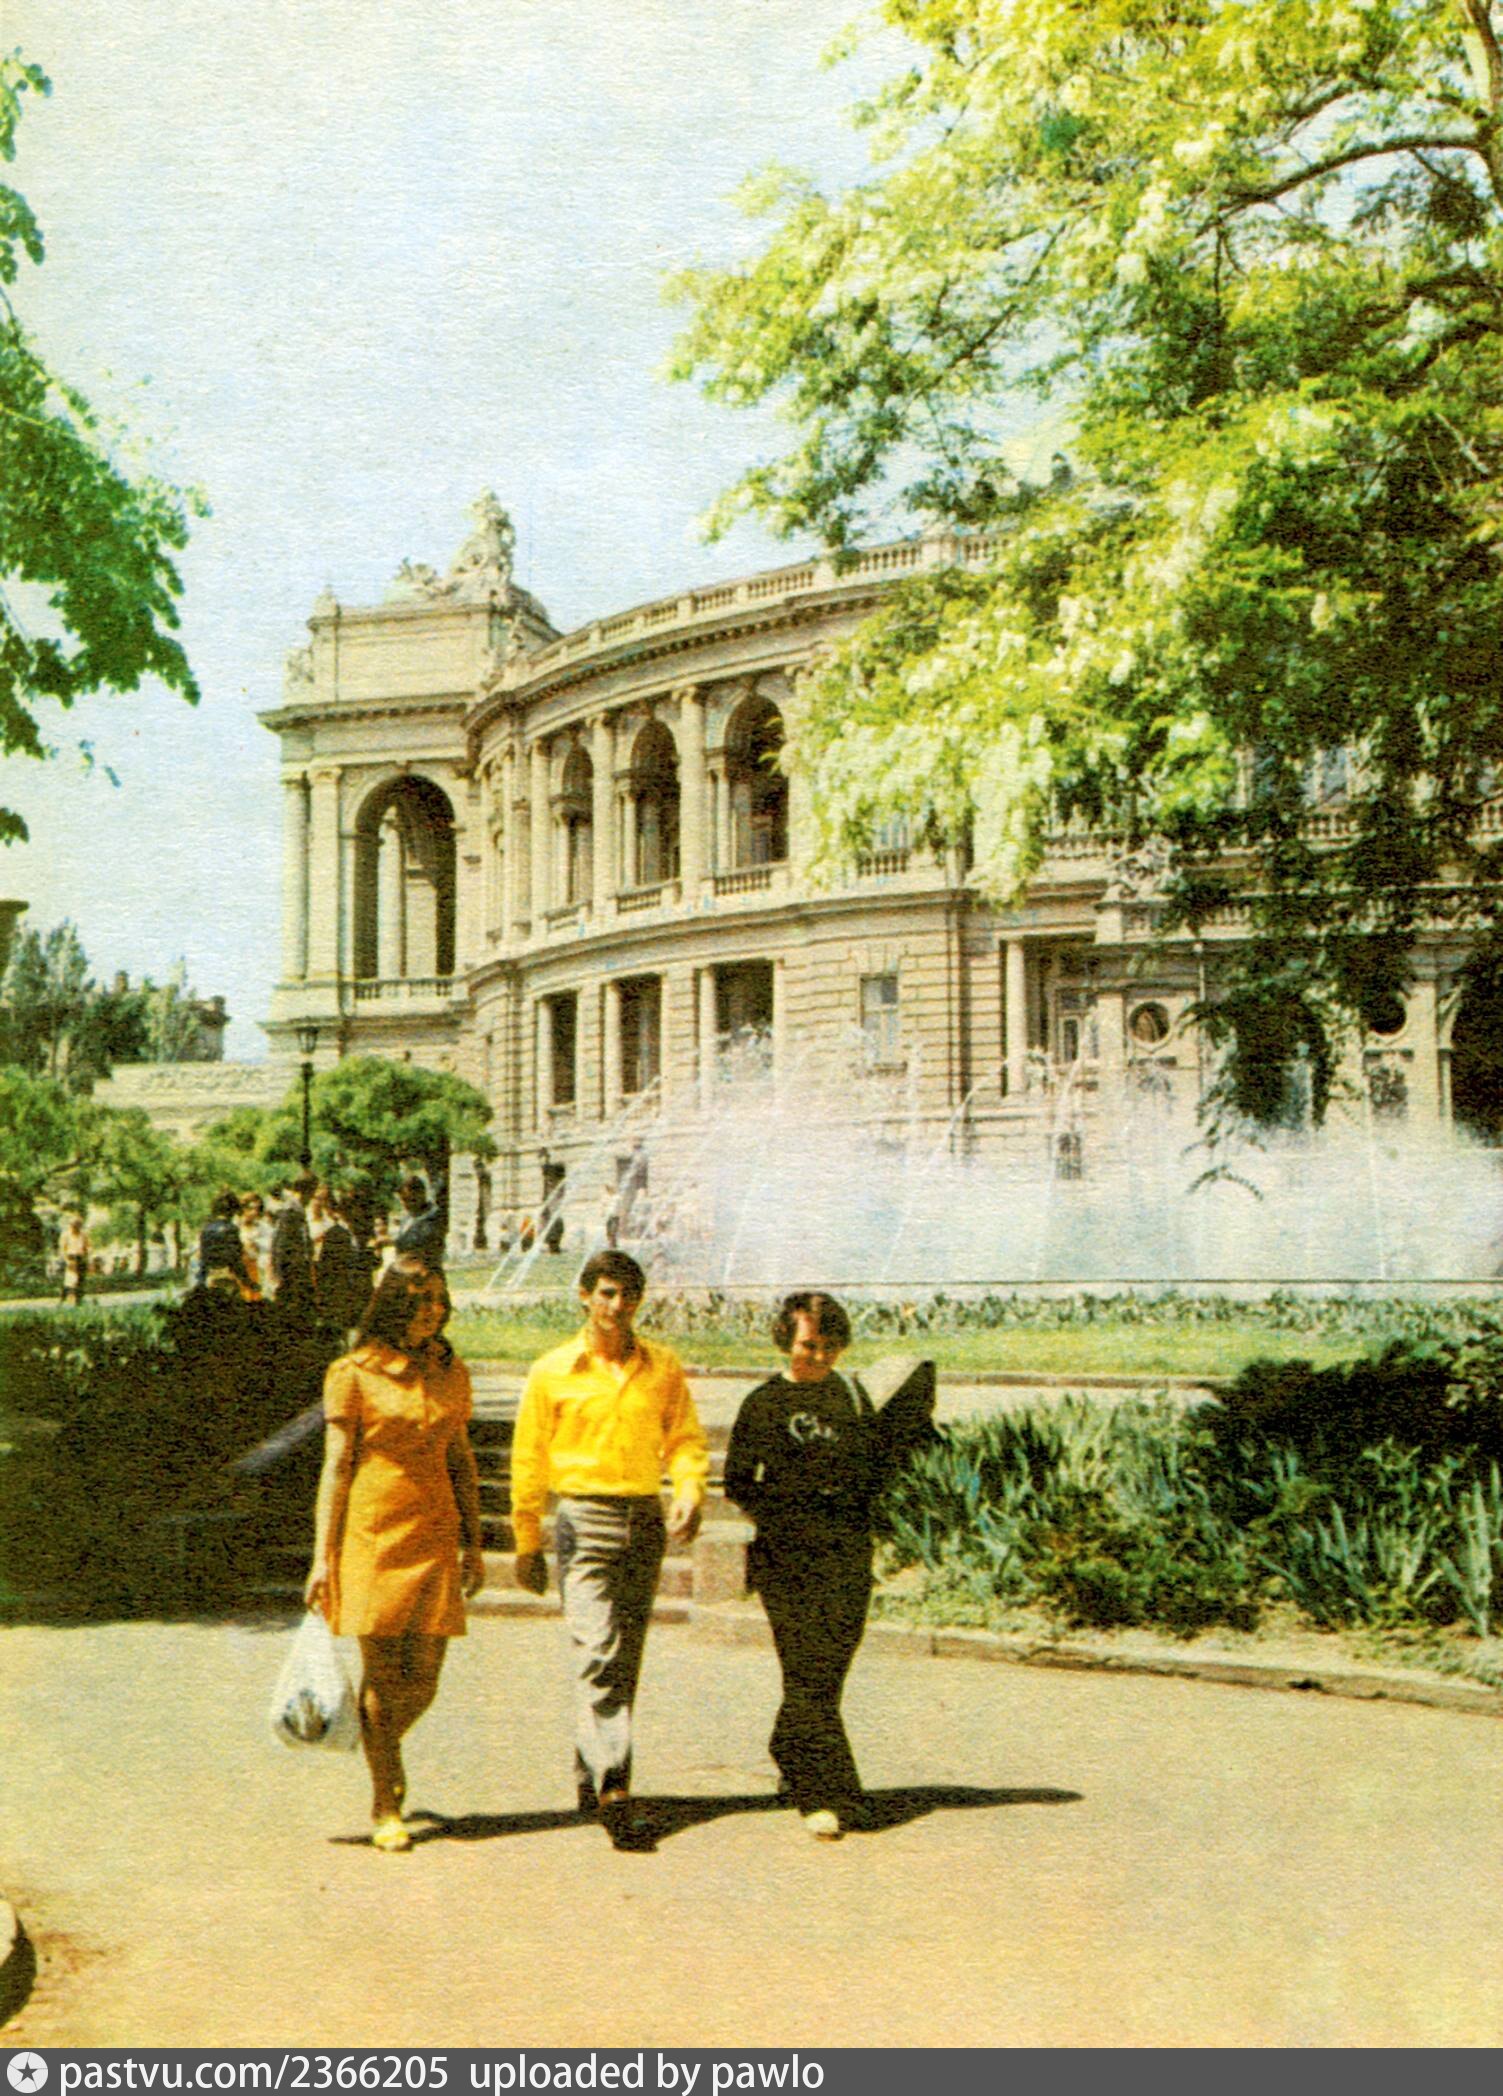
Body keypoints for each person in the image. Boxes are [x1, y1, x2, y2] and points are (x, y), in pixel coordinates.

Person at [510, 1249, 708, 1848]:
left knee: (623, 1658)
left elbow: (685, 1440)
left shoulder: (662, 1366)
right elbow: (528, 1459)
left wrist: (689, 1490)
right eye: (606, 1293)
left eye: (628, 1296)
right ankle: (616, 1787)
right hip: (584, 1519)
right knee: (597, 1649)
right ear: (584, 1296)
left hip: (643, 1520)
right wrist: (526, 1539)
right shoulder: (552, 1371)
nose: (617, 1307)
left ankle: (591, 1774)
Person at [723, 1292, 933, 1841]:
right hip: (787, 1556)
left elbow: (878, 1467)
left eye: (830, 1347)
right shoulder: (763, 1403)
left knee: (827, 1673)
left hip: (846, 1552)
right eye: (808, 1345)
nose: (818, 1357)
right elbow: (738, 1482)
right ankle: (828, 1793)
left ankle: (789, 1746)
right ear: (784, 1341)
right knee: (806, 1672)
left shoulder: (851, 1397)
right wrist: (786, 1514)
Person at [304, 1256, 485, 1853]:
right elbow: (336, 1467)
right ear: (391, 1304)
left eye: (438, 1298)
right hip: (373, 1534)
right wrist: (322, 1557)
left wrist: (475, 1541)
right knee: (382, 1676)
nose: (432, 1310)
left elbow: (461, 1459)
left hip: (434, 1533)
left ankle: (376, 1743)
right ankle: (386, 1800)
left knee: (425, 1680)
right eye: (418, 1300)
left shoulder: (450, 1371)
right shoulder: (352, 1373)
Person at [315, 1190, 373, 1340]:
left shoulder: (362, 1233)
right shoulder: (334, 1233)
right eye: (351, 1208)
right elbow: (326, 1268)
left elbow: (368, 1264)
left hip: (359, 1295)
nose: (356, 1212)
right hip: (340, 1296)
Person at [269, 1174, 318, 1318]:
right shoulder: (291, 1212)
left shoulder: (297, 1211)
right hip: (290, 1272)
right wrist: (280, 1272)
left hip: (297, 1270)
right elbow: (281, 1244)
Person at [197, 1190, 250, 1293]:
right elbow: (235, 1258)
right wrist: (246, 1280)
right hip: (227, 1277)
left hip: (211, 1277)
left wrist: (200, 1282)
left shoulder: (206, 1229)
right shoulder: (231, 1229)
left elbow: (203, 1258)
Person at [394, 1174, 447, 1268]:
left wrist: (392, 1241)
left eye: (409, 1199)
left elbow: (423, 1242)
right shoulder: (407, 1218)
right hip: (405, 1271)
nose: (405, 1204)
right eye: (402, 1200)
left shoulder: (434, 1218)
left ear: (421, 1194)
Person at [239, 1191, 274, 1300]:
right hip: (240, 1269)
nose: (254, 1212)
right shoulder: (235, 1226)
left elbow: (271, 1245)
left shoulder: (263, 1227)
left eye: (256, 1209)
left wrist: (257, 1244)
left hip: (258, 1269)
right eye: (250, 1208)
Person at [58, 1213, 91, 1306]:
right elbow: (62, 1249)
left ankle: (79, 1300)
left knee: (80, 1280)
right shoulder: (66, 1235)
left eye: (78, 1225)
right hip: (70, 1258)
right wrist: (67, 1260)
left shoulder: (83, 1235)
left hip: (80, 1258)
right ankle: (63, 1298)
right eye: (74, 1225)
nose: (76, 1227)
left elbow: (88, 1246)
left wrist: (88, 1256)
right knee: (69, 1280)